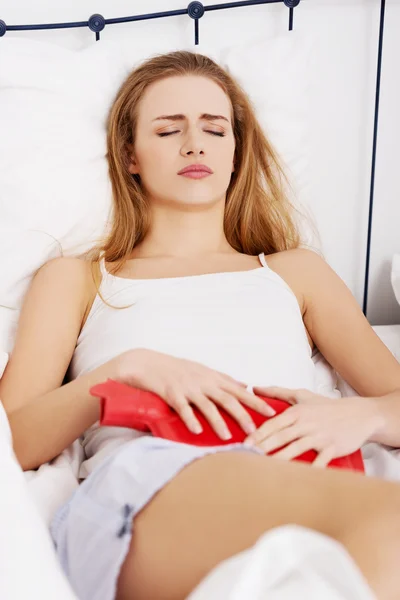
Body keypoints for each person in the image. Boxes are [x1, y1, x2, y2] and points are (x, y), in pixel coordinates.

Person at [2, 49, 400, 600]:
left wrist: (361, 416)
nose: (195, 144)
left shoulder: (294, 273)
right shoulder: (79, 279)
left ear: (236, 152)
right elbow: (12, 440)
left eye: (215, 129)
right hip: (152, 476)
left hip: (299, 464)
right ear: (130, 155)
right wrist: (126, 373)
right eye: (168, 131)